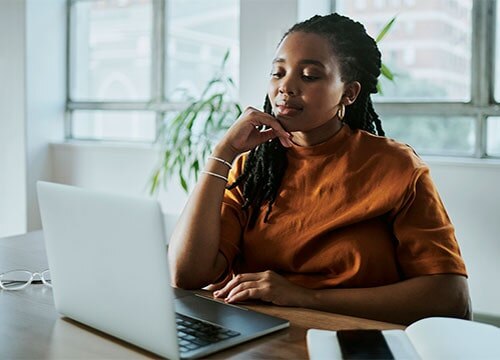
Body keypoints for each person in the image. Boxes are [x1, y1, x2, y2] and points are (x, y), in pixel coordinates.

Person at [168, 13, 471, 325]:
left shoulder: (396, 167)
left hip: (354, 339)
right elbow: (187, 275)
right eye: (277, 73)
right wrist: (223, 154)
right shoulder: (253, 167)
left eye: (310, 76)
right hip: (260, 334)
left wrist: (304, 297)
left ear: (349, 93)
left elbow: (450, 296)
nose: (285, 87)